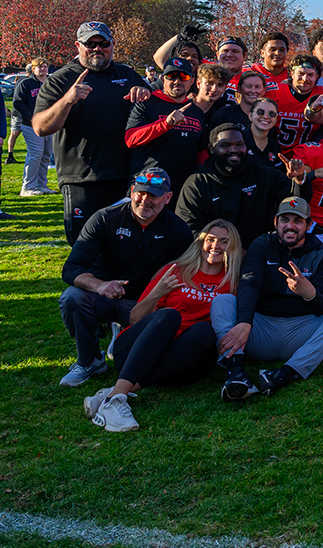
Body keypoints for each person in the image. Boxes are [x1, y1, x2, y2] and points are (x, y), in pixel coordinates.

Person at [82, 220, 242, 432]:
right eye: (210, 240)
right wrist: (158, 291)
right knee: (169, 316)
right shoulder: (175, 270)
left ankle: (112, 394)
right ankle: (116, 400)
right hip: (137, 351)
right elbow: (135, 319)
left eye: (224, 242)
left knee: (205, 331)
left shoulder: (234, 281)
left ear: (233, 247)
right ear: (200, 242)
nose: (216, 246)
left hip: (182, 363)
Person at [210, 196, 323, 400]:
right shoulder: (261, 244)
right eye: (285, 220)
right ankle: (236, 374)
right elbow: (249, 283)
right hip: (259, 328)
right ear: (276, 222)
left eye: (297, 221)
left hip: (301, 332)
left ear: (308, 224)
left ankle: (285, 373)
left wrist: (310, 294)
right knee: (222, 301)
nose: (290, 226)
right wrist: (245, 322)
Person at [57, 167, 193, 387]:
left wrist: (156, 300)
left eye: (153, 195)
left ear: (168, 198)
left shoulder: (178, 230)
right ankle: (90, 360)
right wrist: (99, 285)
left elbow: (185, 275)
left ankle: (125, 338)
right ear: (131, 191)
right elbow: (71, 268)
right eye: (140, 192)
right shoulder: (104, 218)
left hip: (148, 302)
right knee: (72, 298)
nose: (145, 200)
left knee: (168, 319)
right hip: (105, 297)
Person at [34, 21, 151, 243]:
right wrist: (67, 101)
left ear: (112, 45)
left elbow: (151, 114)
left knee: (124, 243)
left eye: (103, 43)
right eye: (90, 43)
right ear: (78, 45)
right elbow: (40, 127)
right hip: (81, 178)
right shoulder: (61, 79)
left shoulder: (128, 75)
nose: (97, 48)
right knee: (84, 246)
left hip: (124, 177)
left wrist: (145, 93)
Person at [175, 125, 294, 247]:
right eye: (225, 145)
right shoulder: (197, 183)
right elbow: (188, 230)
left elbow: (295, 199)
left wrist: (299, 180)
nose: (234, 149)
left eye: (239, 144)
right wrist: (226, 252)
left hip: (256, 254)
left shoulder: (265, 175)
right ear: (212, 148)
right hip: (213, 255)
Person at [124, 57, 209, 199]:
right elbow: (131, 139)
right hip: (148, 187)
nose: (177, 81)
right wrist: (166, 124)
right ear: (162, 79)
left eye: (183, 76)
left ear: (192, 81)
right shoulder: (146, 103)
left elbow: (201, 152)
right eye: (171, 76)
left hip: (184, 189)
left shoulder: (197, 112)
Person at [14, 57, 55, 196]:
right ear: (33, 69)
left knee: (46, 155)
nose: (42, 69)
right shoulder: (25, 83)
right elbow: (18, 103)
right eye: (39, 66)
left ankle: (41, 185)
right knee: (35, 155)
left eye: (45, 66)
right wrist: (32, 118)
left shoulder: (50, 82)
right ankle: (28, 187)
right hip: (30, 125)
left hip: (49, 124)